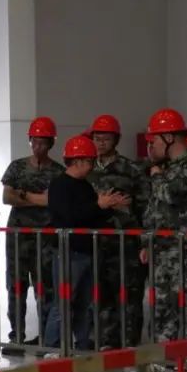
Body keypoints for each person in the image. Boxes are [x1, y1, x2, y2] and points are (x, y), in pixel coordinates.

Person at [43, 136, 130, 353]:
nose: (92, 166)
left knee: (84, 303)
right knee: (64, 302)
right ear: (78, 161)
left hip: (86, 251)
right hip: (68, 252)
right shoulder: (60, 185)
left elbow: (92, 217)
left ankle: (82, 346)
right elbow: (68, 217)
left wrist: (109, 207)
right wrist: (99, 206)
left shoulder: (85, 186)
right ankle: (53, 347)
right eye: (90, 161)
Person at [140, 108, 187, 353]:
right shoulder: (167, 168)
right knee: (162, 309)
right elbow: (154, 209)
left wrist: (157, 177)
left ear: (169, 137)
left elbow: (173, 194)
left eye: (155, 140)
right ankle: (165, 359)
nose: (151, 146)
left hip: (186, 251)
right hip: (162, 249)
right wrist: (147, 241)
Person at [86, 114, 150, 348]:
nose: (101, 143)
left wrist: (145, 240)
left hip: (126, 243)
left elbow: (145, 206)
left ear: (116, 140)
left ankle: (130, 343)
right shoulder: (86, 168)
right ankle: (106, 341)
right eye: (97, 138)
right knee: (101, 295)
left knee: (129, 295)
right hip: (96, 242)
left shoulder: (130, 169)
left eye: (106, 138)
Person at [1, 117, 64, 350]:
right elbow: (7, 197)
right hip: (18, 236)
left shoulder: (58, 171)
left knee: (45, 288)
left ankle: (46, 338)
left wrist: (24, 195)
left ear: (50, 144)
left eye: (43, 143)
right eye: (34, 142)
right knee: (15, 286)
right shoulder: (17, 167)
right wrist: (39, 199)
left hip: (45, 237)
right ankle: (16, 335)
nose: (38, 147)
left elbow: (54, 202)